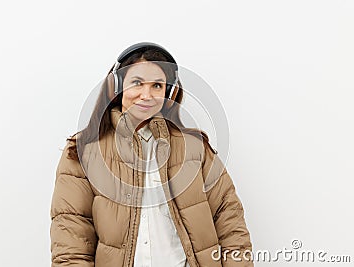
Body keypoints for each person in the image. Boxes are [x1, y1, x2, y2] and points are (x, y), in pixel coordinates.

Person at [50, 42, 254, 267]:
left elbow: (230, 224)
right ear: (117, 87)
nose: (147, 95)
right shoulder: (83, 151)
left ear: (168, 92)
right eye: (137, 83)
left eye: (157, 85)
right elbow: (71, 245)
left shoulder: (195, 148)